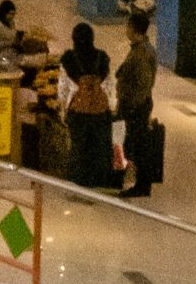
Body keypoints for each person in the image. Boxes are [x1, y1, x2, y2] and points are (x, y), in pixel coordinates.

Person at [59, 23, 116, 189]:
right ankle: (98, 183)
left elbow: (63, 88)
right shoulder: (102, 57)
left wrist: (63, 110)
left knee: (79, 147)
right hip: (100, 111)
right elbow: (108, 86)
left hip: (78, 112)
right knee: (98, 147)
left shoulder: (68, 59)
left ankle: (78, 183)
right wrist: (110, 106)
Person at [117, 10, 158, 199]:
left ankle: (142, 185)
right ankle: (139, 182)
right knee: (137, 144)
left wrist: (132, 106)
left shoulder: (141, 53)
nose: (126, 30)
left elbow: (142, 84)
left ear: (134, 29)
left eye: (128, 26)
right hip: (137, 104)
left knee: (139, 145)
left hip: (137, 107)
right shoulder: (141, 48)